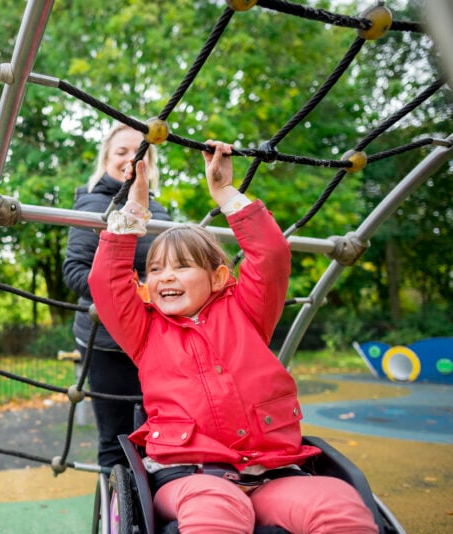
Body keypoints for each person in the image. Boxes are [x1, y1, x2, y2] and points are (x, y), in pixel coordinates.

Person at [88, 141, 378, 533]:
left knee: (336, 502)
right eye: (154, 270)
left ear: (219, 277)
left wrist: (225, 192)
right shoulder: (145, 330)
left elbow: (271, 255)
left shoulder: (246, 311)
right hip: (190, 476)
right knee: (216, 507)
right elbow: (106, 282)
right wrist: (135, 208)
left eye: (182, 266)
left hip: (272, 473)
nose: (165, 276)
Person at [63, 122, 171, 468]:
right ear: (106, 159)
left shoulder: (161, 212)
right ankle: (118, 515)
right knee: (117, 439)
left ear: (149, 164)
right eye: (121, 152)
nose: (130, 159)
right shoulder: (94, 205)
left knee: (158, 433)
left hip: (153, 337)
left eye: (139, 153)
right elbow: (75, 271)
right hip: (107, 339)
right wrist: (131, 295)